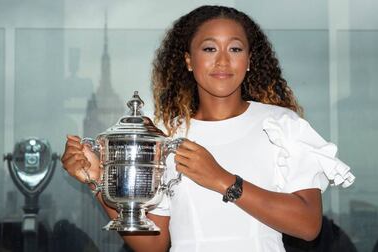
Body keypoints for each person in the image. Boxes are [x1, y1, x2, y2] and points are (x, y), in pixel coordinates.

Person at [61, 5, 355, 251]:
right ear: (189, 60)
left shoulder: (281, 125)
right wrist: (98, 179)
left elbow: (307, 225)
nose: (223, 60)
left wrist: (223, 180)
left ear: (250, 60)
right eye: (210, 48)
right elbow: (154, 245)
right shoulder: (166, 137)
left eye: (236, 48)